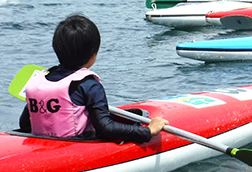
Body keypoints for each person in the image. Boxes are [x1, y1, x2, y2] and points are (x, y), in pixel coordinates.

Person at [19, 15, 169, 141]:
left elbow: (24, 124)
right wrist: (149, 131)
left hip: (42, 145)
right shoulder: (88, 85)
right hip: (75, 148)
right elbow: (106, 129)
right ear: (93, 55)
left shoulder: (37, 82)